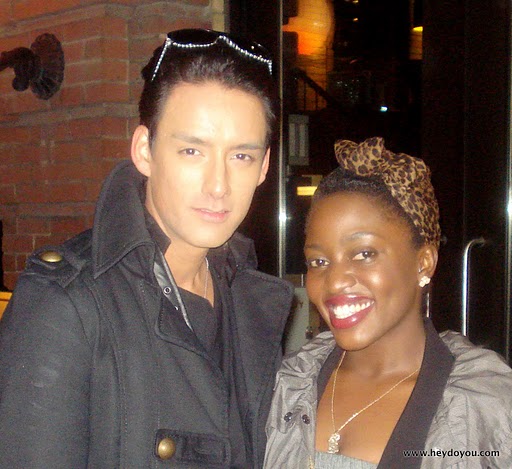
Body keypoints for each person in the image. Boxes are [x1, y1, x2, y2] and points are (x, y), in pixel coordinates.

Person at [0, 29, 293, 468]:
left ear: (264, 167)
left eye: (240, 156)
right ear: (144, 151)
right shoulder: (67, 303)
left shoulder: (249, 297)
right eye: (192, 150)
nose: (218, 186)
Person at [264, 137, 512, 468]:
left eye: (364, 254)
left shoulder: (482, 404)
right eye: (318, 261)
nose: (334, 281)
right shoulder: (290, 382)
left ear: (424, 263)